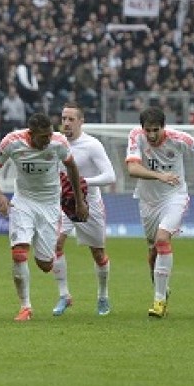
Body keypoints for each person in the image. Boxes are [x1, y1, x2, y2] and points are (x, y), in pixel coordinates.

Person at [0, 111, 88, 321]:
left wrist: (80, 202)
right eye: (43, 137)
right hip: (23, 201)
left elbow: (72, 168)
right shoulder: (12, 142)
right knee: (19, 253)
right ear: (30, 134)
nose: (48, 140)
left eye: (50, 135)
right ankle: (25, 307)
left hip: (50, 204)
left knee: (45, 264)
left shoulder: (58, 143)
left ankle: (58, 282)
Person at [125, 106, 194, 318]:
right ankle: (162, 291)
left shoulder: (179, 139)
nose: (151, 135)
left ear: (163, 127)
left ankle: (158, 301)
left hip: (174, 197)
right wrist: (160, 176)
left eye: (155, 130)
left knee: (162, 239)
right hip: (147, 201)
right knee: (152, 252)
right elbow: (132, 170)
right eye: (147, 130)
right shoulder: (135, 136)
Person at [54, 102, 117, 316]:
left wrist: (81, 182)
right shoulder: (56, 142)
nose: (66, 123)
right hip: (64, 203)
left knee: (98, 254)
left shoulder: (92, 145)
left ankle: (102, 296)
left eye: (71, 119)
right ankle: (64, 295)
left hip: (89, 204)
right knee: (56, 244)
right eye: (64, 119)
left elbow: (110, 176)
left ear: (81, 121)